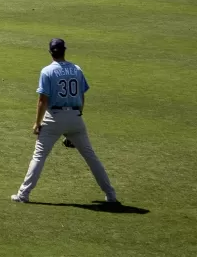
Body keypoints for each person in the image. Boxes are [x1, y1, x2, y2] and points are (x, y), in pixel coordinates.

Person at [12, 38, 120, 206]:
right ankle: (111, 195)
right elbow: (82, 95)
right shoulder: (76, 69)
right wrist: (76, 118)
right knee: (91, 157)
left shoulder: (47, 71)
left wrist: (37, 123)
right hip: (76, 118)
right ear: (64, 50)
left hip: (54, 117)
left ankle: (23, 194)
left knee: (39, 156)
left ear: (50, 52)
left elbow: (42, 100)